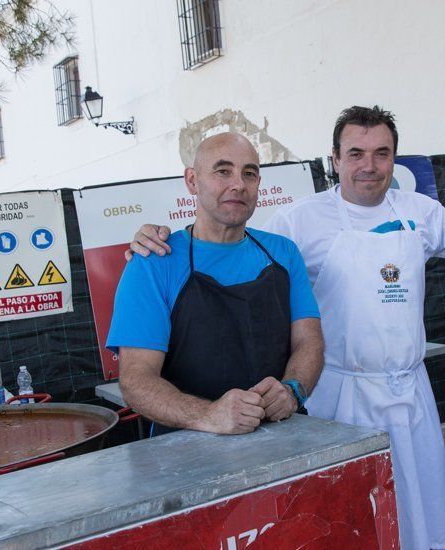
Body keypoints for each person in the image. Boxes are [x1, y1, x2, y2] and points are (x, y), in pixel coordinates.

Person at [127, 107, 445, 549]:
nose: (369, 166)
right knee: (351, 523)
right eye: (355, 153)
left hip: (410, 391)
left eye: (382, 154)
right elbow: (227, 234)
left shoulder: (419, 210)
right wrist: (151, 237)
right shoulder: (294, 225)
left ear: (395, 159)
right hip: (339, 394)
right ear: (334, 160)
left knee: (421, 520)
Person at [106, 132, 324, 437]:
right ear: (192, 181)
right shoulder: (154, 262)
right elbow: (136, 380)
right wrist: (208, 415)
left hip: (282, 437)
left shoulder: (284, 253)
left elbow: (309, 342)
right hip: (186, 453)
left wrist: (292, 391)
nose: (238, 183)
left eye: (249, 173)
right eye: (223, 171)